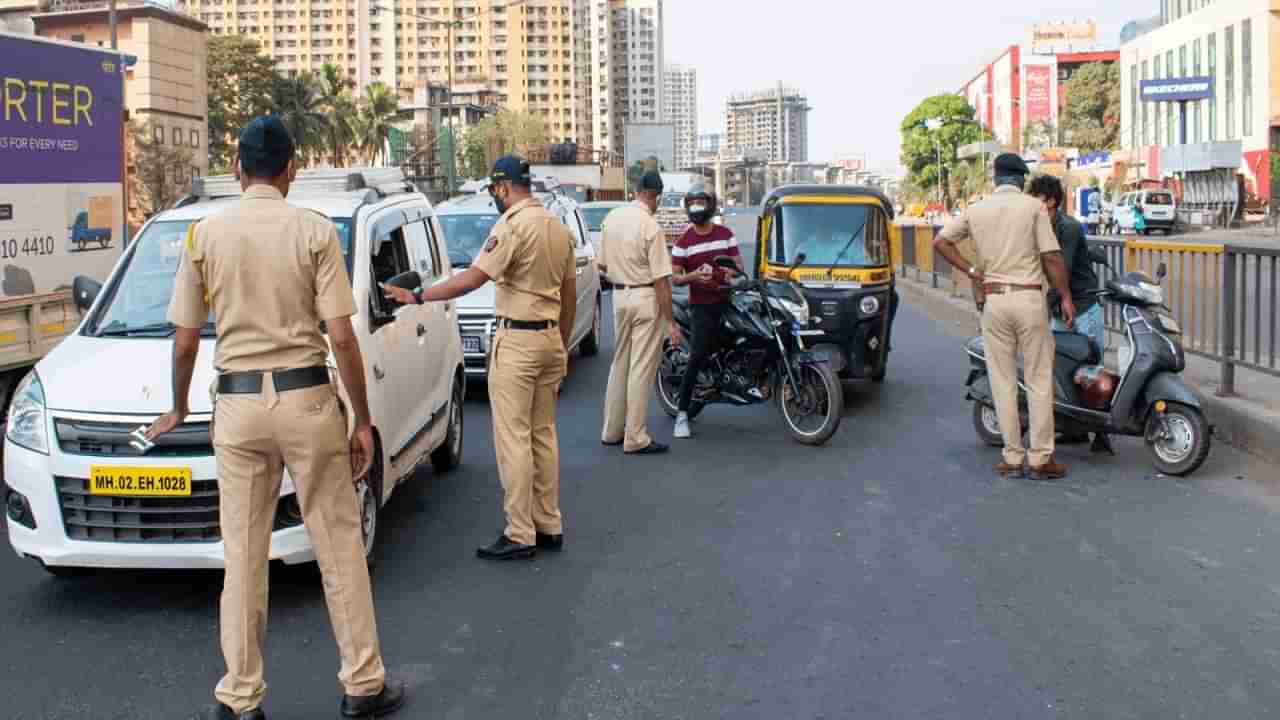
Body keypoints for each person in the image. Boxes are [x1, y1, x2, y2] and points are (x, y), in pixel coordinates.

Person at [149, 116, 403, 720]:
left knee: (242, 552)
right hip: (308, 400)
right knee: (338, 543)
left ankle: (241, 697)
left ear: (237, 168)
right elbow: (342, 336)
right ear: (291, 170)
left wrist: (181, 404)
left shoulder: (203, 235)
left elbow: (185, 341)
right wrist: (361, 420)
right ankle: (362, 685)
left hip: (236, 407)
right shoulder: (313, 231)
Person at [384, 155, 575, 561]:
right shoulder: (557, 229)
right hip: (549, 341)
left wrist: (418, 296)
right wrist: (560, 344)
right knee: (544, 435)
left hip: (518, 343)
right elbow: (570, 294)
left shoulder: (511, 227)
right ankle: (549, 523)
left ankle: (520, 532)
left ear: (504, 188)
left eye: (495, 191)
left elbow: (473, 279)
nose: (495, 198)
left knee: (514, 439)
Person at [934, 153, 1077, 482]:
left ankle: (1012, 458)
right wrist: (1066, 297)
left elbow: (941, 241)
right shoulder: (1033, 208)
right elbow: (1052, 257)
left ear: (995, 179)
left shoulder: (976, 209)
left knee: (1002, 380)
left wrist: (972, 271)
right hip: (1028, 298)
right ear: (1021, 180)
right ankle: (1041, 458)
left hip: (994, 300)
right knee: (1040, 379)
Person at [597, 170, 678, 455]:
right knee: (641, 368)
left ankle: (611, 430)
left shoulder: (612, 219)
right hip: (645, 296)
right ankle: (636, 436)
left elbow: (602, 266)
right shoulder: (650, 226)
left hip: (619, 296)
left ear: (636, 191)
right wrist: (671, 323)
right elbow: (661, 281)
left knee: (619, 363)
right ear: (655, 196)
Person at [669, 183, 743, 439]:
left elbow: (737, 267)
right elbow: (675, 278)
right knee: (697, 354)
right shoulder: (683, 241)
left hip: (729, 300)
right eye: (692, 203)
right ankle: (681, 415)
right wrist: (693, 276)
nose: (696, 208)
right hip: (701, 306)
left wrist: (720, 273)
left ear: (711, 205)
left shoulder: (726, 234)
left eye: (701, 202)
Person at [1027, 175, 1105, 352]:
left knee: (1091, 371)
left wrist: (1048, 304)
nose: (1031, 204)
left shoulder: (1069, 228)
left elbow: (1061, 270)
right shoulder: (1040, 227)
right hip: (1059, 308)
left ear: (1051, 201)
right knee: (1060, 369)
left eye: (1035, 198)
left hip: (1082, 308)